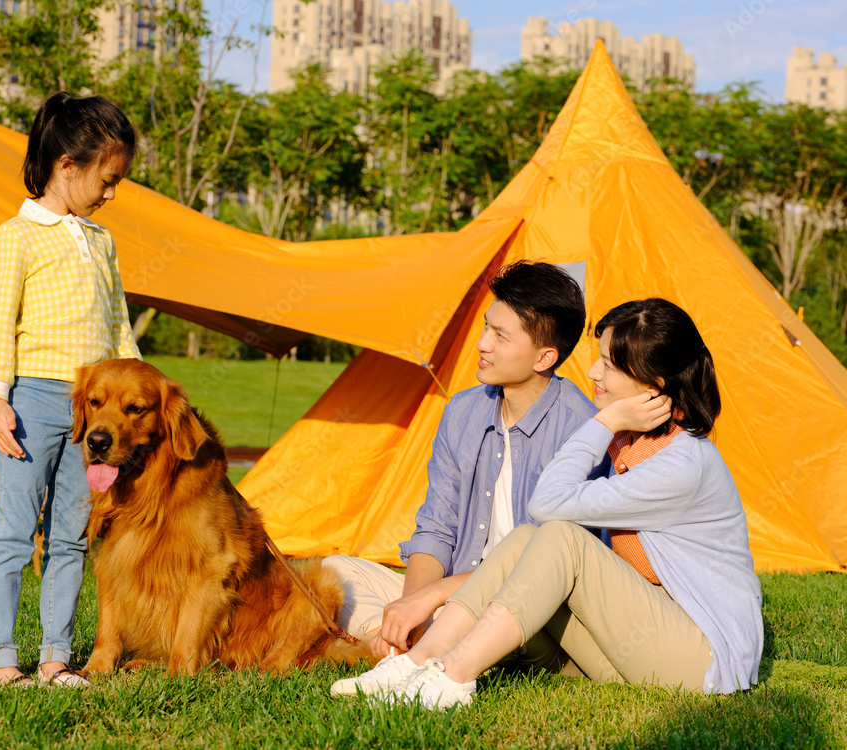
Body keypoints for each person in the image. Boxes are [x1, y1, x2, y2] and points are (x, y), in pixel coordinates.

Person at [334, 298, 764, 709]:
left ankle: (452, 677)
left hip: (702, 662)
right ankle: (413, 663)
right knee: (527, 538)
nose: (593, 372)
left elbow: (548, 501)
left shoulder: (683, 465)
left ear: (653, 388)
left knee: (559, 535)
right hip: (638, 647)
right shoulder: (634, 445)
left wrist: (605, 419)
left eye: (609, 366)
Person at [327, 260, 609, 686]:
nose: (482, 344)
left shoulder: (580, 431)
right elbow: (436, 528)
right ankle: (403, 645)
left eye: (500, 336)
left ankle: (411, 651)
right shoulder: (462, 410)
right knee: (337, 570)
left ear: (544, 357)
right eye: (485, 328)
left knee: (497, 608)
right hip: (449, 594)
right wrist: (414, 606)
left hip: (520, 606)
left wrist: (430, 603)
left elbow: (541, 568)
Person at [0, 92, 140, 687]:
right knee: (15, 531)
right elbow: (0, 322)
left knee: (72, 535)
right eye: (108, 179)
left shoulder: (101, 241)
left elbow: (119, 324)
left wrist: (135, 386)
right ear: (67, 166)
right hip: (31, 402)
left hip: (93, 411)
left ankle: (54, 658)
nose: (112, 193)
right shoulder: (17, 233)